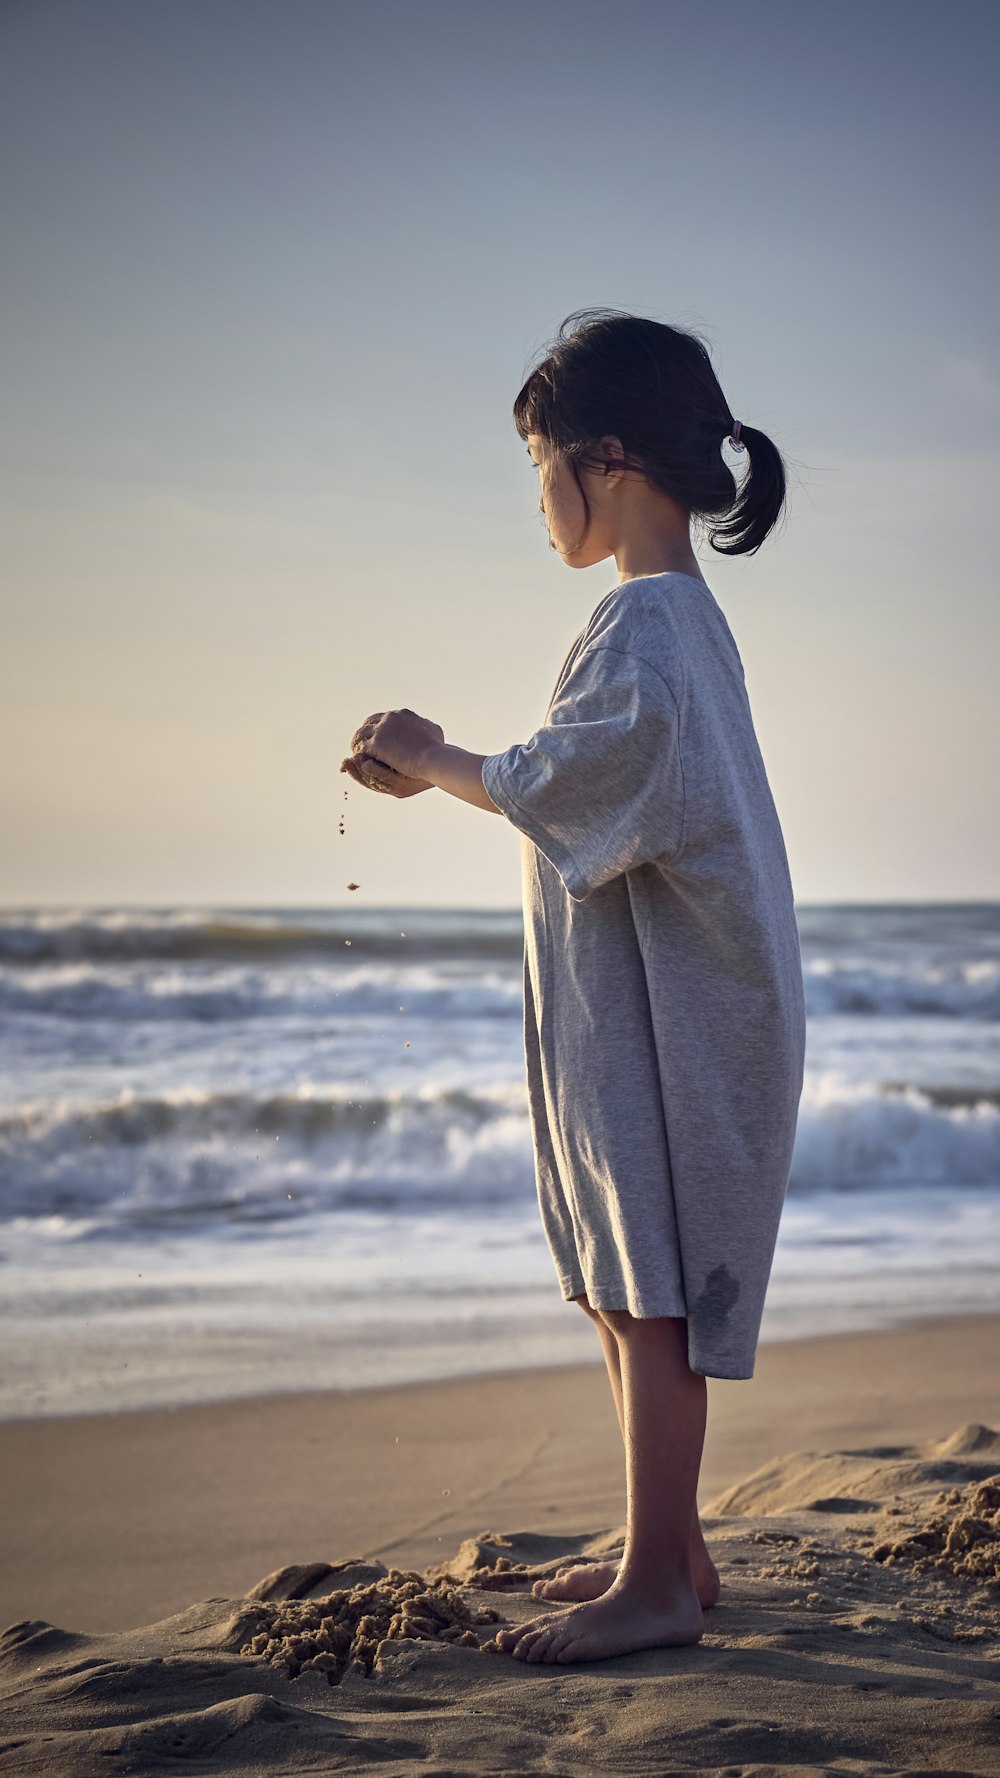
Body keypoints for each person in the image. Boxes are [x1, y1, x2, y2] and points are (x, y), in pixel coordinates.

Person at [340, 308, 807, 1666]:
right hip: (658, 1002)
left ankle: (661, 1575)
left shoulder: (648, 628)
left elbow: (558, 783)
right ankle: (674, 1543)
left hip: (680, 1016)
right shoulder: (673, 623)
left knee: (647, 1287)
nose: (538, 498)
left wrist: (430, 754)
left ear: (605, 457)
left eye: (541, 463)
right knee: (624, 1279)